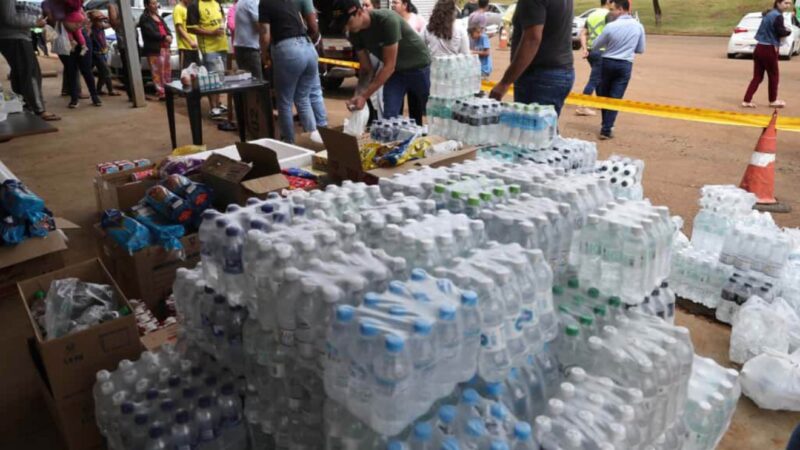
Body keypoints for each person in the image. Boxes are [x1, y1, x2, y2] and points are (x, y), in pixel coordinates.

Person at [335, 0, 432, 126]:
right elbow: (365, 69)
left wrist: (364, 96)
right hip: (396, 72)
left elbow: (388, 66)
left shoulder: (387, 20)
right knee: (389, 118)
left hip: (418, 68)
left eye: (347, 22)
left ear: (359, 13)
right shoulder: (355, 33)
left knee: (431, 112)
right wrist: (358, 95)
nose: (346, 28)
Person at [489, 0, 575, 117]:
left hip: (539, 76)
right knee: (545, 129)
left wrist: (505, 83)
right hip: (560, 71)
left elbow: (532, 40)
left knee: (531, 131)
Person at [259, 0, 327, 144]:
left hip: (287, 49)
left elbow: (265, 34)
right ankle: (314, 140)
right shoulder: (289, 2)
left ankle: (288, 142)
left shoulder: (265, 3)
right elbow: (311, 25)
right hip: (308, 48)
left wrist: (264, 54)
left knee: (284, 101)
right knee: (303, 97)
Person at [592, 0, 645, 139]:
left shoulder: (610, 26)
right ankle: (606, 128)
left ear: (621, 9)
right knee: (616, 97)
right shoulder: (638, 26)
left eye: (612, 9)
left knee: (604, 95)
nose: (611, 12)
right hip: (625, 64)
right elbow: (640, 49)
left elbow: (596, 45)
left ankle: (606, 125)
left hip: (608, 61)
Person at [0, 0, 60, 120]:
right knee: (31, 73)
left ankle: (24, 104)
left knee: (20, 73)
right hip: (15, 37)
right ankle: (38, 109)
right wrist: (35, 23)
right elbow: (9, 18)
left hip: (21, 36)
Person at [742, 0, 793, 108]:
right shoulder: (778, 16)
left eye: (789, 3)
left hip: (759, 47)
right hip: (769, 49)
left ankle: (746, 100)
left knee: (757, 77)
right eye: (785, 3)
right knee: (774, 76)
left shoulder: (768, 14)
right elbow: (781, 32)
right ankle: (773, 100)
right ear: (778, 3)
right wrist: (789, 31)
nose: (788, 6)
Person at [187, 0, 229, 118]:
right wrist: (212, 32)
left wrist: (223, 23)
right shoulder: (195, 5)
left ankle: (218, 103)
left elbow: (222, 17)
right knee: (212, 78)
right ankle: (213, 107)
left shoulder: (216, 3)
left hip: (222, 44)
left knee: (220, 76)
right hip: (209, 48)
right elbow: (191, 28)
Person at [294, 0, 328, 141]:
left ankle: (312, 135)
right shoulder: (305, 2)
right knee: (315, 92)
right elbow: (314, 28)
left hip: (296, 49)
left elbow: (313, 27)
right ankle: (323, 130)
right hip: (310, 50)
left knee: (301, 97)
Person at [576, 0, 613, 116]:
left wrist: (585, 48)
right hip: (602, 51)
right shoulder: (609, 15)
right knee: (595, 79)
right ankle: (582, 106)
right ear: (608, 2)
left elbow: (583, 33)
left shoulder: (592, 14)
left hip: (591, 51)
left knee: (598, 77)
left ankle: (599, 102)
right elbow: (612, 33)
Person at [139, 0, 173, 101]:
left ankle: (168, 90)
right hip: (154, 48)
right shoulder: (145, 18)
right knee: (157, 72)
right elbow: (150, 32)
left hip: (165, 47)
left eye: (156, 3)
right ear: (147, 5)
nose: (155, 6)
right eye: (152, 3)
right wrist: (164, 37)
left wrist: (169, 36)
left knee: (166, 70)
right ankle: (161, 92)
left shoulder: (159, 16)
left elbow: (166, 28)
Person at [67, 21, 102, 108]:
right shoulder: (57, 10)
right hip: (67, 40)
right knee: (71, 71)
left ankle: (94, 96)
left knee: (86, 70)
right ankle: (74, 98)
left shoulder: (74, 10)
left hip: (80, 39)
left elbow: (84, 20)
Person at [89, 10, 119, 96]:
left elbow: (111, 23)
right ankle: (111, 90)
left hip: (101, 53)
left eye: (101, 21)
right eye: (99, 21)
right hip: (96, 54)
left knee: (102, 73)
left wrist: (107, 17)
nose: (101, 23)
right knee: (106, 72)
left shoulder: (100, 28)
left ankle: (98, 89)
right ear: (94, 21)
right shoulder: (92, 31)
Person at [233, 0, 264, 79]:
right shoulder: (252, 1)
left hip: (241, 46)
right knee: (257, 83)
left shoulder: (241, 1)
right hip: (250, 48)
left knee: (246, 83)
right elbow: (259, 26)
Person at [173, 0, 200, 69]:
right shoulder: (178, 8)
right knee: (186, 73)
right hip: (185, 47)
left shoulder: (189, 8)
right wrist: (190, 41)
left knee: (197, 72)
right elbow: (179, 28)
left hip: (194, 47)